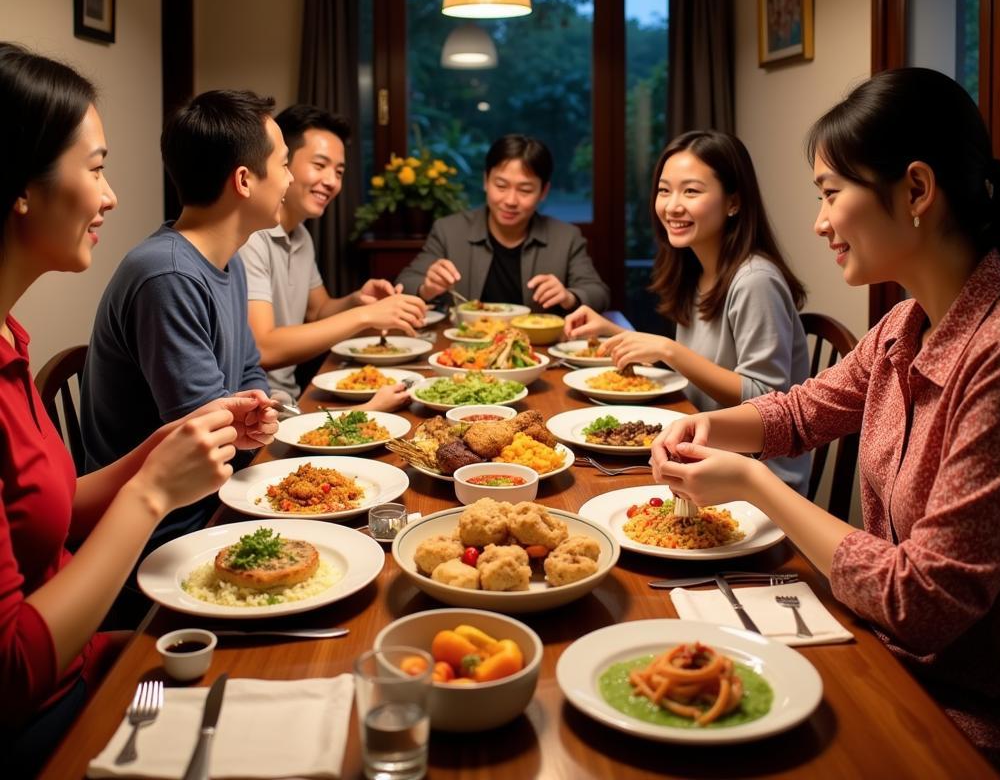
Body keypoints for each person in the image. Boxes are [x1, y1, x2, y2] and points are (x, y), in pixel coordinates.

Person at [650, 69, 1000, 774]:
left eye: (830, 194)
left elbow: (922, 602)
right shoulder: (904, 325)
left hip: (961, 718)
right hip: (883, 652)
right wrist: (709, 430)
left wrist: (757, 488)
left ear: (916, 191)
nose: (820, 222)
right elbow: (796, 410)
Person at [0, 44, 275, 773]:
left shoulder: (9, 336)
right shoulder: (164, 270)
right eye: (94, 168)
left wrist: (154, 455)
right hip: (44, 715)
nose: (112, 195)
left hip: (87, 656)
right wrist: (153, 491)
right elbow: (13, 674)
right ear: (20, 186)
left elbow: (51, 509)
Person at [80, 89, 282, 545]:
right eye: (285, 165)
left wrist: (263, 414)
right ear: (246, 180)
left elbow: (250, 369)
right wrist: (253, 423)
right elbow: (205, 438)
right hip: (167, 527)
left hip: (217, 494)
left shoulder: (228, 258)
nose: (288, 180)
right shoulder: (168, 274)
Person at [566, 130, 812, 491]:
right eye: (664, 190)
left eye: (691, 191)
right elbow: (701, 368)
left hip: (756, 480)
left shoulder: (755, 280)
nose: (672, 205)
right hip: (698, 448)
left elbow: (765, 399)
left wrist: (670, 350)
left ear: (733, 202)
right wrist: (611, 331)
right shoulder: (698, 270)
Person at [239, 105, 425, 403]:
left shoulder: (300, 234)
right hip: (260, 406)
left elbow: (318, 310)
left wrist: (357, 300)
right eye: (320, 165)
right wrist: (365, 315)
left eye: (338, 171)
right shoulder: (251, 237)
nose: (332, 181)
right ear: (283, 163)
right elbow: (263, 347)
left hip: (289, 397)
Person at [396, 134, 610, 312]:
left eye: (525, 190)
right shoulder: (449, 230)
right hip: (463, 350)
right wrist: (426, 288)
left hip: (538, 351)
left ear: (543, 192)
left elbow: (598, 293)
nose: (510, 201)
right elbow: (404, 283)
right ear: (485, 181)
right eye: (501, 186)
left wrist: (568, 296)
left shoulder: (566, 237)